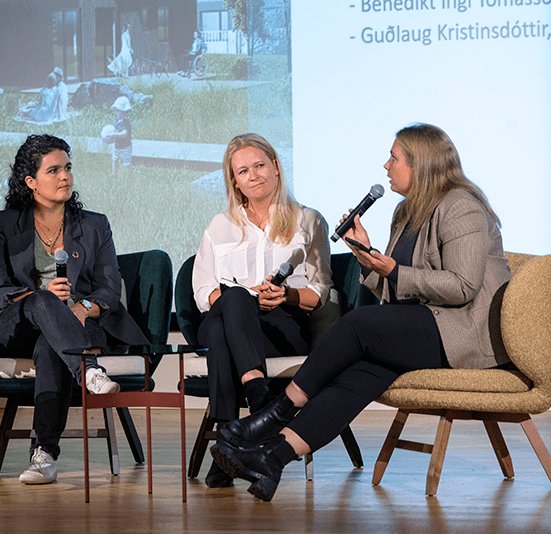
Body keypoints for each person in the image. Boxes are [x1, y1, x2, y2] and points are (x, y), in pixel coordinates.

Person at [210, 123, 512, 501]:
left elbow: (463, 287)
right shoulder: (406, 213)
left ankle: (275, 415)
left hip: (464, 335)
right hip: (427, 327)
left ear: (421, 165)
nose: (386, 166)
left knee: (358, 323)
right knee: (361, 373)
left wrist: (395, 271)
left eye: (394, 158)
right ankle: (272, 458)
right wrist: (367, 259)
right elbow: (399, 294)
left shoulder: (461, 208)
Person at [0, 134, 148, 485]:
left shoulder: (94, 225)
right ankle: (89, 371)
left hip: (75, 326)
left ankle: (44, 455)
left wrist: (83, 307)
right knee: (42, 300)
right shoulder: (6, 224)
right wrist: (41, 297)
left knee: (50, 344)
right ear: (30, 181)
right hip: (15, 325)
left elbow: (110, 289)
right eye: (54, 170)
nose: (65, 176)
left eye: (68, 167)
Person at [192, 133, 332, 488]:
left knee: (222, 333)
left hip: (282, 326)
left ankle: (230, 439)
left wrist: (285, 296)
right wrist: (244, 299)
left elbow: (322, 292)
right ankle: (259, 406)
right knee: (233, 302)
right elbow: (202, 290)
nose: (253, 175)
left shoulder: (308, 220)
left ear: (276, 168)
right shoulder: (219, 226)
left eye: (259, 166)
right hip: (232, 320)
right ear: (234, 181)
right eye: (243, 171)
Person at [111, 96, 133, 179]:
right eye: (115, 110)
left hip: (125, 146)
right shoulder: (116, 120)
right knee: (115, 160)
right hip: (117, 145)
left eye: (118, 111)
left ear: (124, 112)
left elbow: (125, 133)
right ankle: (114, 174)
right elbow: (115, 130)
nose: (116, 112)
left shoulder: (126, 122)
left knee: (126, 163)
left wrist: (115, 135)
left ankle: (130, 175)